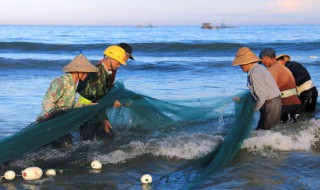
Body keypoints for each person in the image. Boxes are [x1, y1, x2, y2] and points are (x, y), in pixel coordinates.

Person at [77, 44, 134, 141]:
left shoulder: (106, 70)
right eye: (119, 62)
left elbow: (100, 96)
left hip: (94, 109)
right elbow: (95, 97)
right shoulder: (99, 74)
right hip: (86, 110)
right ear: (111, 58)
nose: (120, 65)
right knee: (87, 141)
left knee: (104, 138)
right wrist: (111, 105)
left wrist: (104, 118)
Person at [40, 53, 99, 146]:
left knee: (67, 145)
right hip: (51, 123)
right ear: (79, 71)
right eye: (87, 72)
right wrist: (52, 119)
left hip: (61, 121)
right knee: (64, 146)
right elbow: (47, 101)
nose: (88, 75)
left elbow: (71, 105)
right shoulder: (62, 82)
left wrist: (88, 105)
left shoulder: (73, 84)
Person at [232, 47, 282, 130]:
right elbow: (258, 93)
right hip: (271, 103)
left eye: (241, 65)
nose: (240, 67)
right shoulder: (257, 69)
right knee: (264, 131)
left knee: (267, 132)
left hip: (270, 104)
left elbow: (262, 95)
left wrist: (253, 110)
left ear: (246, 63)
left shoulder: (254, 73)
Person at [259, 48, 301, 123]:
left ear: (266, 58)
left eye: (262, 61)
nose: (262, 64)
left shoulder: (271, 69)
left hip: (287, 105)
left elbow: (266, 89)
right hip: (296, 103)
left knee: (282, 130)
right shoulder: (284, 68)